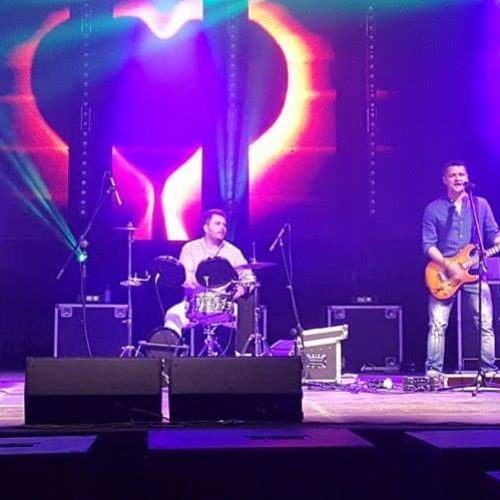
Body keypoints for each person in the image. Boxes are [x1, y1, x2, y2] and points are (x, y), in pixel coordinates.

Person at [422, 160, 500, 378]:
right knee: (437, 324)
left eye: (461, 175)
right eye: (453, 175)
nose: (458, 178)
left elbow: (492, 233)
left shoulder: (480, 205)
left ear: (467, 178)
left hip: (473, 272)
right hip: (442, 274)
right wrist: (449, 265)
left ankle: (489, 370)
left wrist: (497, 240)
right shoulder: (433, 209)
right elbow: (428, 245)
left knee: (485, 323)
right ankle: (434, 371)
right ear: (445, 180)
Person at [164, 208, 254, 347]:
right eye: (217, 224)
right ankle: (172, 355)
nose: (222, 227)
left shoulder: (234, 252)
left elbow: (248, 277)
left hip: (224, 306)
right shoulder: (190, 248)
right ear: (206, 228)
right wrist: (204, 279)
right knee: (171, 315)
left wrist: (241, 289)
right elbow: (183, 278)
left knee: (245, 318)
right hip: (193, 305)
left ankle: (242, 355)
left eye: (224, 225)